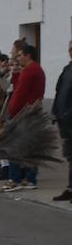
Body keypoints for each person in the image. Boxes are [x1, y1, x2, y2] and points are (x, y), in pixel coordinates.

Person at [2, 43, 46, 191]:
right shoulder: (35, 70)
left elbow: (19, 94)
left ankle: (14, 179)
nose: (18, 58)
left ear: (28, 55)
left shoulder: (30, 71)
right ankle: (29, 178)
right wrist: (15, 74)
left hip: (23, 114)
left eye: (20, 55)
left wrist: (12, 112)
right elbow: (19, 87)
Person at [54, 41, 72, 202]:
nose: (70, 51)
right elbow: (59, 90)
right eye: (69, 48)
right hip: (65, 122)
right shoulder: (67, 69)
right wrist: (55, 111)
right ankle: (69, 188)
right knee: (70, 156)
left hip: (70, 118)